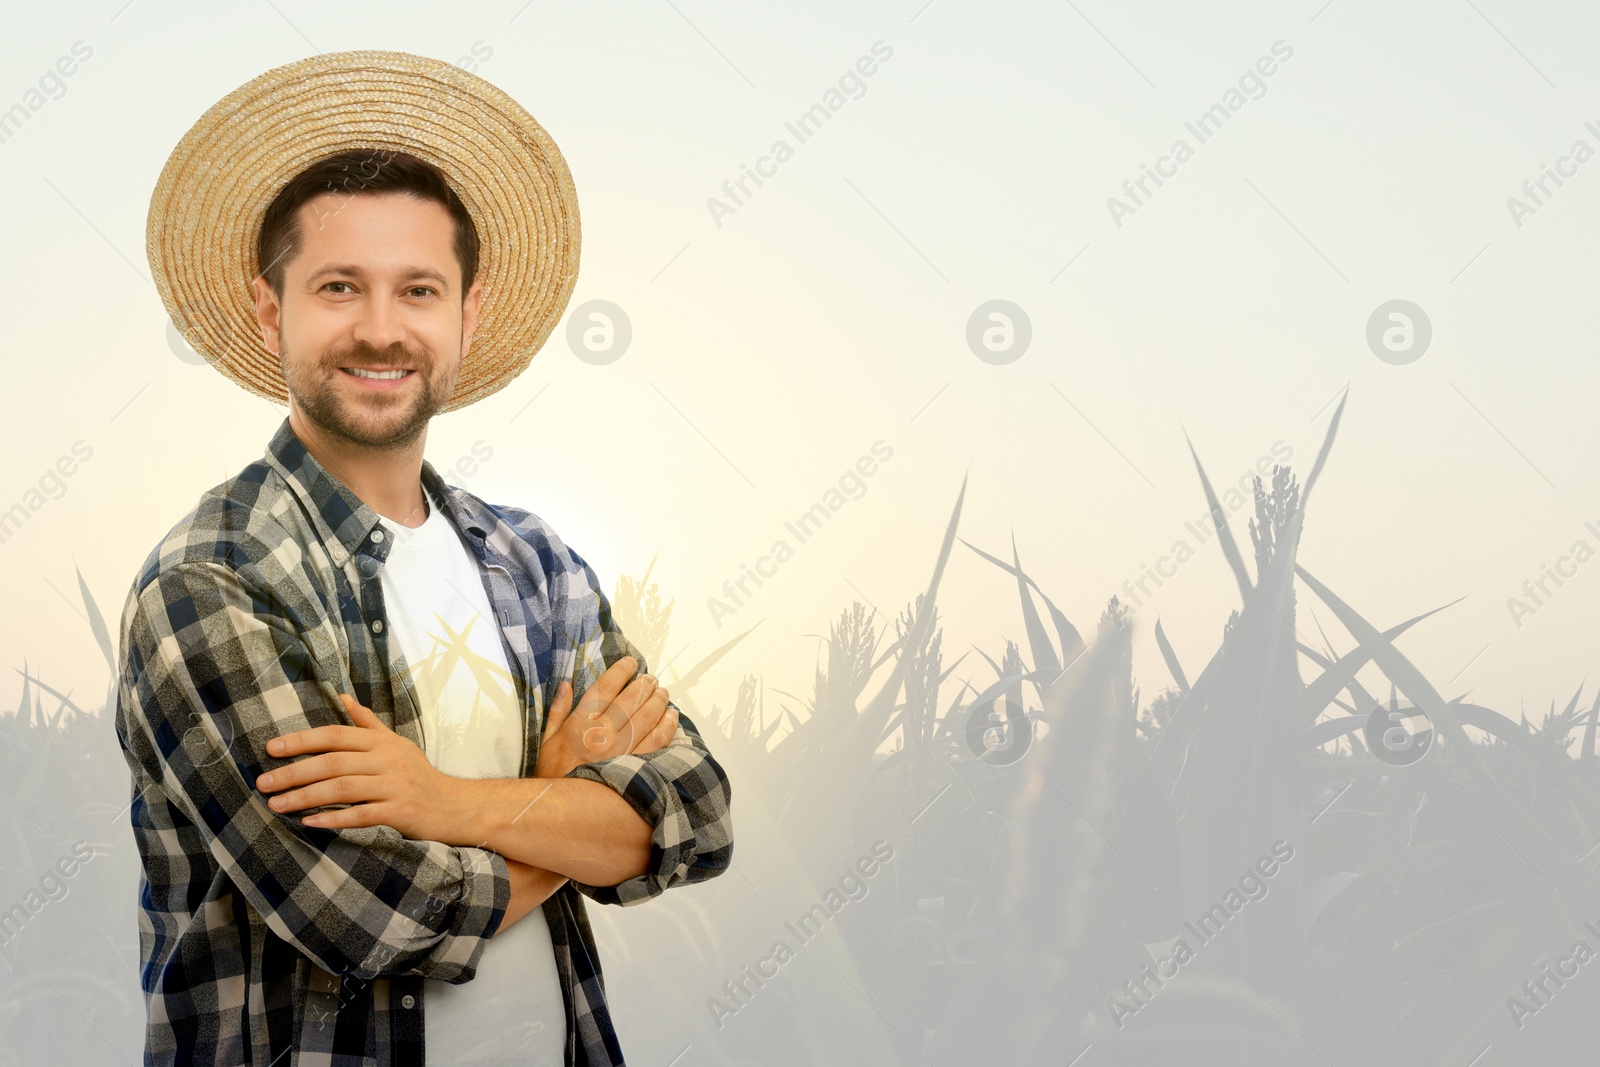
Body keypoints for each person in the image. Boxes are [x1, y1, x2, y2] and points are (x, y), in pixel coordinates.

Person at [115, 50, 733, 1066]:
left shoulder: (538, 562)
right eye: (338, 286)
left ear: (464, 315)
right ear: (272, 313)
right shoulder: (210, 581)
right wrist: (559, 796)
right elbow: (370, 914)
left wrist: (442, 800)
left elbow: (694, 815)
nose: (379, 327)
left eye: (417, 289)